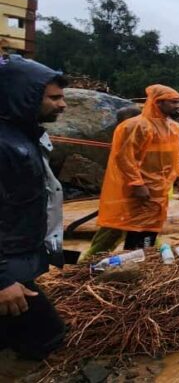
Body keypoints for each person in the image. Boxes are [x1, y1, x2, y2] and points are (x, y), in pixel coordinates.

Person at [0, 55, 68, 359]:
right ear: (23, 97)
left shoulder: (24, 136)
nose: (63, 104)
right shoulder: (5, 145)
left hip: (17, 264)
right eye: (54, 97)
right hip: (7, 272)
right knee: (46, 337)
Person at [84, 85, 179, 259]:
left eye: (178, 102)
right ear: (158, 102)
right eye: (173, 102)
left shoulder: (172, 128)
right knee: (115, 228)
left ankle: (138, 264)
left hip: (157, 191)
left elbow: (174, 156)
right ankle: (85, 266)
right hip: (132, 191)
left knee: (148, 230)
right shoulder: (136, 126)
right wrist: (137, 183)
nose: (178, 106)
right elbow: (124, 157)